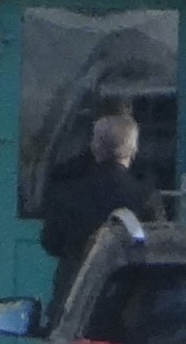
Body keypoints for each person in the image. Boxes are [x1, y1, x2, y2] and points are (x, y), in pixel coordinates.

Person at [25, 101, 149, 260]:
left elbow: (50, 243)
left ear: (95, 148)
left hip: (76, 278)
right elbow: (155, 243)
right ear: (134, 150)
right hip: (127, 281)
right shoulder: (145, 196)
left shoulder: (67, 190)